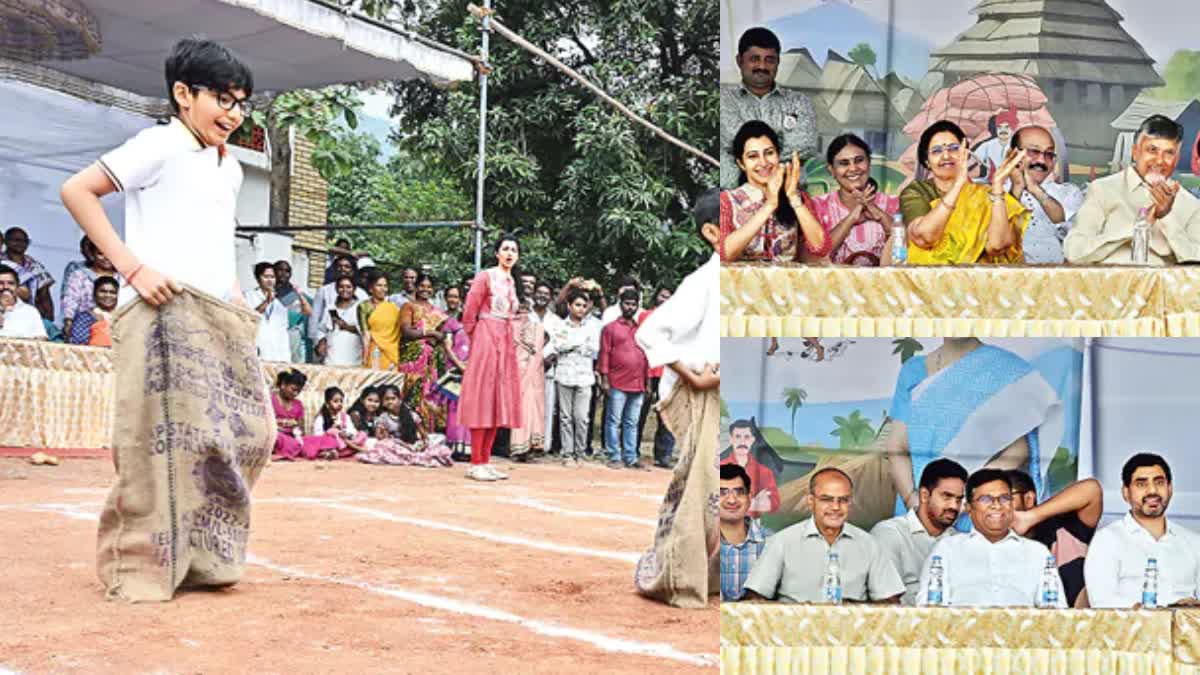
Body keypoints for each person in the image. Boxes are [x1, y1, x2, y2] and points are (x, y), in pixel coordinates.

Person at [633, 187, 722, 608]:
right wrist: (692, 375)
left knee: (731, 487)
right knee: (700, 488)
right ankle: (679, 579)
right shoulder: (704, 280)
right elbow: (650, 332)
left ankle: (715, 576)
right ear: (711, 232)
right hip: (707, 394)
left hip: (735, 391)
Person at [887, 338, 1060, 519]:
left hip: (973, 511)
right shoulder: (912, 371)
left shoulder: (1005, 369)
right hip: (917, 510)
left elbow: (1019, 449)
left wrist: (968, 495)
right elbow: (897, 445)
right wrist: (913, 501)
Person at [743, 468, 905, 603]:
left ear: (850, 503)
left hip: (851, 635)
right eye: (826, 499)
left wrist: (854, 609)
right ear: (811, 501)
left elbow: (890, 601)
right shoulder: (782, 541)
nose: (835, 507)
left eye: (843, 500)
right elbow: (755, 598)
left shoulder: (869, 544)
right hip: (795, 635)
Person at [917, 469, 1065, 608]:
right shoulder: (947, 549)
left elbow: (1057, 615)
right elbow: (928, 612)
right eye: (986, 499)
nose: (996, 505)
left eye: (1004, 498)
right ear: (969, 508)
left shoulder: (1038, 553)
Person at [1066, 115, 1200, 265]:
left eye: (1169, 153)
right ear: (1135, 152)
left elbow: (1195, 261)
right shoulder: (1103, 190)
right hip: (1111, 284)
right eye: (1152, 150)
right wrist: (1138, 227)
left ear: (1177, 159)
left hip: (1165, 286)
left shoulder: (1191, 205)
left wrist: (1165, 217)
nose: (1159, 160)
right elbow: (1074, 252)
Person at [900, 120, 1029, 264]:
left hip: (977, 281)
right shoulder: (917, 192)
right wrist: (958, 185)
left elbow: (997, 246)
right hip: (930, 281)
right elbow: (924, 237)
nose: (946, 156)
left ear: (966, 154)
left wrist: (998, 186)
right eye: (936, 151)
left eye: (954, 148)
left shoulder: (985, 194)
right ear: (927, 161)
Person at [1084, 453, 1200, 608]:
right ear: (1126, 492)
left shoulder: (1193, 542)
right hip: (1132, 629)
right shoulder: (1107, 540)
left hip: (1187, 629)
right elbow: (1101, 602)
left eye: (1159, 482)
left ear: (1170, 488)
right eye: (1141, 484)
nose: (1152, 490)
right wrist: (1157, 613)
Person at [720, 27, 818, 189]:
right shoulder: (724, 101)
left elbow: (804, 146)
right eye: (754, 59)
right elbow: (734, 140)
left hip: (789, 198)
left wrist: (751, 153)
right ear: (739, 60)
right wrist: (780, 139)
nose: (762, 66)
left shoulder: (799, 102)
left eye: (770, 60)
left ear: (778, 62)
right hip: (736, 198)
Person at [459, 234, 523, 482]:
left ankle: (485, 460)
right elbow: (469, 313)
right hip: (487, 336)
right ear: (497, 253)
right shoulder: (486, 276)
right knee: (483, 397)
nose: (509, 254)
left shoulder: (510, 281)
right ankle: (476, 461)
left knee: (499, 399)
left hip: (505, 339)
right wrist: (478, 339)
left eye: (514, 250)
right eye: (505, 249)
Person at [721, 120, 829, 263]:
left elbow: (821, 248)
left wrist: (793, 199)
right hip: (741, 284)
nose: (763, 162)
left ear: (778, 155)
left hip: (787, 284)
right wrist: (770, 204)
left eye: (769, 153)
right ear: (741, 163)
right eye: (753, 156)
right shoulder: (727, 200)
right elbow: (724, 254)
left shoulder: (798, 197)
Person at [871, 458, 967, 606]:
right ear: (924, 495)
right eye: (946, 497)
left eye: (959, 499)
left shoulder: (959, 541)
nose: (954, 506)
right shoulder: (890, 533)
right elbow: (886, 599)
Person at [1009, 470, 1102, 607]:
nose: (999, 506)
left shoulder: (1062, 528)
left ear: (1028, 499)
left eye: (1006, 498)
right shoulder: (992, 544)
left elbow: (1092, 490)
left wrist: (1030, 517)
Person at [809, 134, 901, 266]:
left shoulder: (893, 204)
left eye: (859, 160)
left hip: (884, 285)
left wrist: (880, 215)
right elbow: (815, 258)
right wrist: (851, 218)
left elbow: (906, 249)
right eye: (843, 163)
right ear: (832, 170)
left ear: (869, 163)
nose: (853, 168)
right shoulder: (818, 206)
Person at [1004, 126, 1085, 264]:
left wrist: (1035, 189)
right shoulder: (993, 194)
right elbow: (998, 239)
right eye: (1033, 151)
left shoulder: (1069, 193)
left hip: (1059, 279)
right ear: (1012, 154)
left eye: (1049, 154)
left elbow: (1064, 224)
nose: (1041, 160)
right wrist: (1017, 188)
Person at [598, 288, 650, 470]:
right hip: (617, 382)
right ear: (620, 305)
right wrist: (604, 379)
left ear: (637, 306)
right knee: (613, 420)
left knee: (632, 422)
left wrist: (648, 382)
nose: (630, 307)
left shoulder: (642, 330)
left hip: (638, 383)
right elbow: (604, 354)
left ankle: (631, 457)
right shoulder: (610, 328)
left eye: (634, 304)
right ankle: (614, 455)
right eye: (627, 303)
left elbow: (646, 357)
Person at [549, 288, 601, 467]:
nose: (581, 309)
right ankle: (567, 453)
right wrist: (577, 344)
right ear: (569, 306)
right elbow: (559, 345)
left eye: (584, 306)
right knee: (565, 416)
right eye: (577, 305)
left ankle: (580, 452)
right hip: (564, 375)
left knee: (581, 417)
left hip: (585, 376)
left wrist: (572, 345)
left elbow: (594, 349)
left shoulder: (592, 327)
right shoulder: (561, 325)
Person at [357, 384, 454, 467]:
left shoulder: (411, 415)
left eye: (393, 398)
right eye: (387, 399)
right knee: (383, 445)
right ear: (383, 402)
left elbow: (424, 436)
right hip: (396, 446)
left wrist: (422, 444)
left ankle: (411, 455)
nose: (390, 402)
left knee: (440, 441)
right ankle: (408, 456)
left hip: (413, 445)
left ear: (399, 399)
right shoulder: (383, 418)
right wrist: (383, 433)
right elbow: (380, 438)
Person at [397, 273, 449, 429]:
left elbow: (442, 335)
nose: (425, 289)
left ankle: (427, 430)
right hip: (412, 356)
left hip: (430, 359)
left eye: (429, 287)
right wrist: (431, 333)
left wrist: (435, 336)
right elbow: (406, 331)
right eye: (422, 286)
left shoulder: (437, 311)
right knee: (412, 390)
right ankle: (408, 430)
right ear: (416, 286)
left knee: (429, 393)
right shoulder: (409, 306)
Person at [720, 464, 773, 602]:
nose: (731, 500)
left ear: (749, 499)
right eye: (722, 493)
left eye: (739, 492)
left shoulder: (772, 543)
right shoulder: (700, 542)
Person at [637, 285, 675, 467]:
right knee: (639, 412)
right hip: (646, 370)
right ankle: (632, 450)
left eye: (669, 297)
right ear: (656, 297)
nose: (665, 300)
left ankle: (664, 455)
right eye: (662, 296)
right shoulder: (645, 316)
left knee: (667, 414)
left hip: (669, 372)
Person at [61, 237, 119, 344]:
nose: (106, 257)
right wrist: (68, 326)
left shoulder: (122, 277)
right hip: (84, 327)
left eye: (110, 254)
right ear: (92, 254)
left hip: (116, 326)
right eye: (100, 254)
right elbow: (70, 302)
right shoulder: (79, 275)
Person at [719, 419, 782, 517]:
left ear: (752, 440)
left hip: (753, 528)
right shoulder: (718, 469)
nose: (742, 442)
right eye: (738, 437)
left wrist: (730, 502)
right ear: (731, 439)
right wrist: (754, 502)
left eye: (746, 437)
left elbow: (774, 504)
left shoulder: (764, 472)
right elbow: (711, 503)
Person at [310, 255, 366, 362]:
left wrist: (347, 327)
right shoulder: (325, 292)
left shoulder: (362, 296)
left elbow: (367, 328)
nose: (343, 269)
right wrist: (318, 342)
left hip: (354, 350)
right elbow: (317, 321)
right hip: (332, 351)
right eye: (339, 266)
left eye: (347, 266)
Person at [510, 302, 546, 461]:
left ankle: (528, 446)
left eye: (526, 308)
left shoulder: (536, 326)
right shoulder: (509, 325)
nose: (523, 312)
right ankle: (518, 447)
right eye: (520, 308)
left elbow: (541, 345)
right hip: (516, 374)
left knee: (531, 409)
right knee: (521, 410)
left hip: (532, 375)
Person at [435, 313, 471, 461]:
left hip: (473, 371)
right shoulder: (451, 323)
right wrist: (460, 366)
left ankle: (467, 448)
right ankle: (454, 448)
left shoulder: (478, 325)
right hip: (455, 371)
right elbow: (447, 348)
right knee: (455, 410)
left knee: (469, 410)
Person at [531, 281, 561, 457]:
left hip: (548, 370)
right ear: (534, 294)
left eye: (546, 294)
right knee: (528, 408)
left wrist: (549, 359)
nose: (542, 296)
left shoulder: (555, 320)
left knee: (547, 409)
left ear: (550, 297)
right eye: (539, 292)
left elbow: (558, 343)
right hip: (527, 371)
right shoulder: (526, 316)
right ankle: (525, 444)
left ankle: (543, 445)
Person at [2, 227, 55, 320]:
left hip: (29, 316)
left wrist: (49, 318)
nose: (21, 244)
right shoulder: (2, 261)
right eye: (17, 240)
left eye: (25, 241)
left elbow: (44, 295)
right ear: (6, 241)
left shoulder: (34, 264)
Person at [357, 268, 402, 371]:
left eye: (385, 286)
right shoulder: (364, 306)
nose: (383, 289)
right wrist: (364, 359)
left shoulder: (393, 307)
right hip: (375, 351)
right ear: (370, 288)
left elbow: (398, 332)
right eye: (379, 285)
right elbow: (366, 334)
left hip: (392, 352)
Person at [245, 262, 290, 362]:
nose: (270, 280)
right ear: (258, 279)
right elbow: (250, 317)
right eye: (266, 276)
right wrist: (267, 301)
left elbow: (307, 311)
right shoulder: (249, 296)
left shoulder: (281, 299)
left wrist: (298, 294)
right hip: (258, 346)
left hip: (279, 351)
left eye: (272, 277)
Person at [309, 386, 368, 460]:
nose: (339, 404)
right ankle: (357, 449)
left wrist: (346, 434)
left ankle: (352, 449)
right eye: (336, 401)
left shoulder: (345, 416)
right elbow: (317, 436)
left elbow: (352, 431)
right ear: (327, 404)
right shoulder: (321, 418)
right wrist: (332, 432)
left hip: (346, 443)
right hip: (332, 444)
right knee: (333, 432)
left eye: (341, 401)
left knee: (362, 434)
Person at [272, 259, 313, 364]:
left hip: (292, 337)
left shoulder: (296, 294)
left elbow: (308, 314)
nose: (283, 273)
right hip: (270, 335)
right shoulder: (265, 291)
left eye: (287, 271)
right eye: (280, 270)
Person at [320, 276, 363, 367]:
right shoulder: (330, 307)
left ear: (354, 289)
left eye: (348, 287)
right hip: (332, 355)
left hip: (353, 355)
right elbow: (322, 329)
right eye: (341, 286)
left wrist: (346, 327)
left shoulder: (361, 307)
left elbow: (366, 331)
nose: (344, 289)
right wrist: (322, 341)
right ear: (336, 288)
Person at [0, 266, 48, 340]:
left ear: (17, 287)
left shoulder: (30, 311)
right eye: (1, 283)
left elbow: (42, 339)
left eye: (11, 283)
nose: (6, 287)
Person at [271, 369, 310, 460]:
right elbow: (263, 422)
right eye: (293, 389)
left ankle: (283, 454)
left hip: (291, 438)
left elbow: (301, 430)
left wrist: (296, 426)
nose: (296, 393)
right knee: (276, 438)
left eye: (299, 391)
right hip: (275, 435)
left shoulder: (298, 404)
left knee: (310, 441)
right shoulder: (270, 399)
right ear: (283, 385)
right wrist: (282, 423)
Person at [972, 108, 1019, 182]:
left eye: (1007, 127)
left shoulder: (1019, 144)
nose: (1003, 130)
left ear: (1012, 128)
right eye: (999, 127)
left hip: (1013, 184)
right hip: (990, 183)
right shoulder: (987, 145)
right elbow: (972, 160)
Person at [87, 276, 119, 347]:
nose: (108, 295)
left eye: (112, 292)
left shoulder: (122, 318)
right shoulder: (85, 317)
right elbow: (77, 348)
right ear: (94, 294)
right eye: (103, 291)